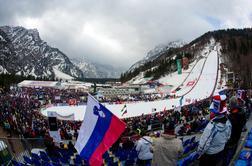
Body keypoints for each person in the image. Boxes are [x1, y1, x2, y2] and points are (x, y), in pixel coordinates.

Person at [197, 94, 232, 166]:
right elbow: (228, 137)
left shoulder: (212, 126)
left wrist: (200, 153)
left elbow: (204, 144)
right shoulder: (228, 122)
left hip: (209, 155)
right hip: (220, 151)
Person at [222, 96, 246, 165]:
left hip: (230, 139)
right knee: (232, 153)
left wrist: (228, 115)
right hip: (237, 136)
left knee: (226, 156)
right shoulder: (242, 112)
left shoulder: (232, 117)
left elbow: (227, 127)